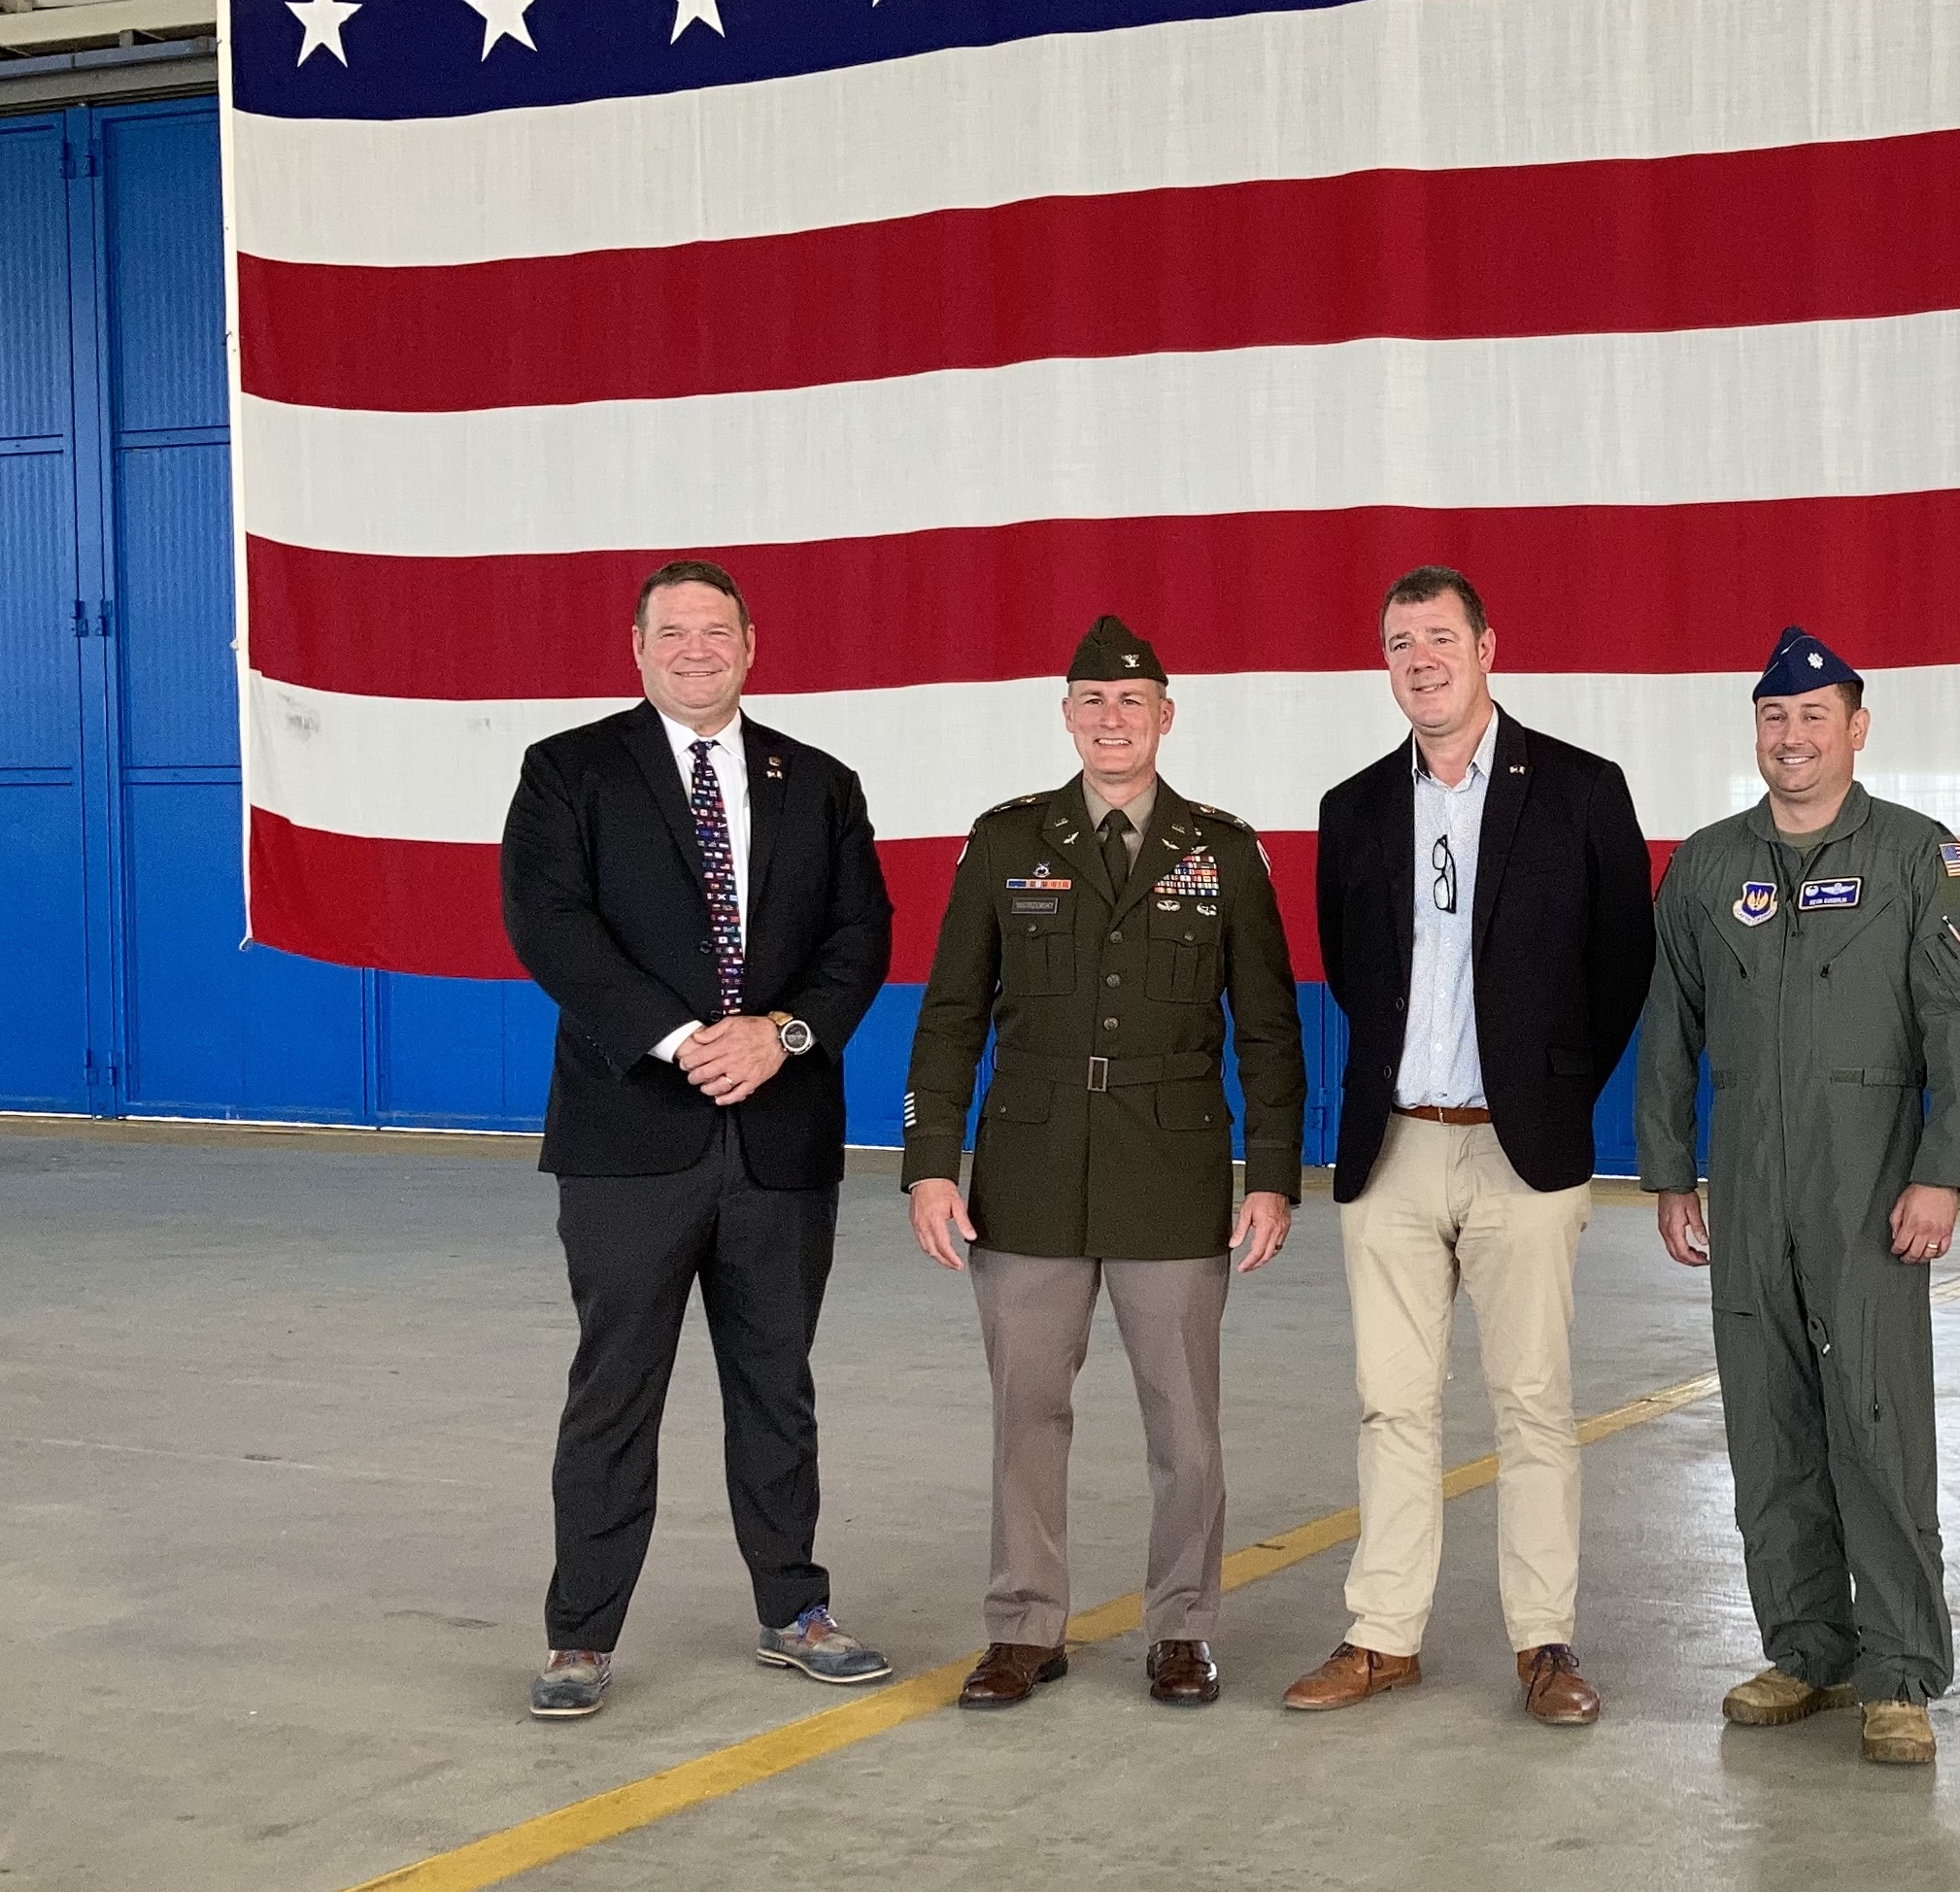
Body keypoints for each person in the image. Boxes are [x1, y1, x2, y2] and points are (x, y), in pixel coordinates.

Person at [497, 558, 896, 1720]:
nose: (693, 647)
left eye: (714, 629)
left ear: (752, 643)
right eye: (670, 631)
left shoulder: (819, 782)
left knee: (777, 1386)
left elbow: (859, 936)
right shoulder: (567, 771)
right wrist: (681, 1039)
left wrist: (783, 1034)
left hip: (780, 1136)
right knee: (613, 1392)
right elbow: (549, 927)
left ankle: (794, 1610)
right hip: (631, 1136)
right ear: (635, 646)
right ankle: (580, 1636)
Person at [900, 615, 1306, 1712]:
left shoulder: (1220, 850)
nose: (1111, 719)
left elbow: (1268, 1027)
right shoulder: (1005, 841)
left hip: (1173, 1174)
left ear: (1165, 718)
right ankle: (1024, 1626)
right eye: (1091, 701)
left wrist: (1270, 1172)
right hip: (1027, 1174)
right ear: (1067, 715)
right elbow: (949, 1016)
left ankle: (1183, 1628)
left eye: (1132, 703)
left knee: (1185, 1425)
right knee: (1026, 1411)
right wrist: (931, 1160)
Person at [1633, 626, 1960, 1766]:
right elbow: (1670, 1026)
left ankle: (1898, 1671)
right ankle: (1807, 1649)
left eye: (1814, 718)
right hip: (1749, 1183)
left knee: (1877, 1423)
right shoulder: (1707, 864)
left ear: (1856, 728)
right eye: (1773, 718)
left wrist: (1944, 1170)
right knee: (1766, 1423)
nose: (1791, 738)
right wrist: (1665, 1171)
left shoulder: (1915, 856)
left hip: (1870, 1187)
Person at [1288, 567, 1655, 1726]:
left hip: (1523, 1150)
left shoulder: (1583, 791)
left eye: (1440, 638)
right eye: (1399, 643)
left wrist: (1547, 1092)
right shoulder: (1352, 809)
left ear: (1488, 646)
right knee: (1392, 1404)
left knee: (1533, 1402)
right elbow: (1355, 973)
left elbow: (1622, 965)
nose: (1421, 661)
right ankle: (1382, 1635)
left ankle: (1544, 1645)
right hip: (1392, 1146)